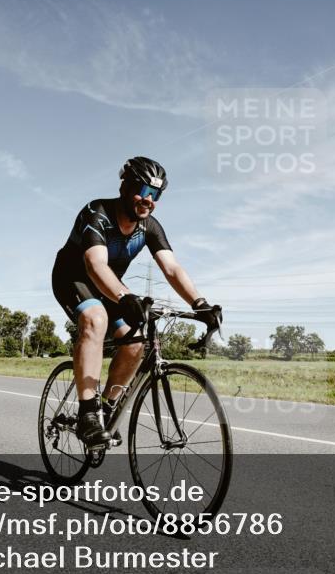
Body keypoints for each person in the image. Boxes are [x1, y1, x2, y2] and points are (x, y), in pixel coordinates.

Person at [51, 156, 221, 447]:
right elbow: (95, 265)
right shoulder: (97, 212)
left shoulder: (149, 227)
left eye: (156, 195)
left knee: (136, 342)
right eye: (143, 190)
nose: (148, 200)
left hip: (111, 285)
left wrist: (199, 303)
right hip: (74, 277)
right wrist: (124, 297)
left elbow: (172, 268)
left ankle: (107, 407)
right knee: (95, 319)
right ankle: (88, 414)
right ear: (125, 187)